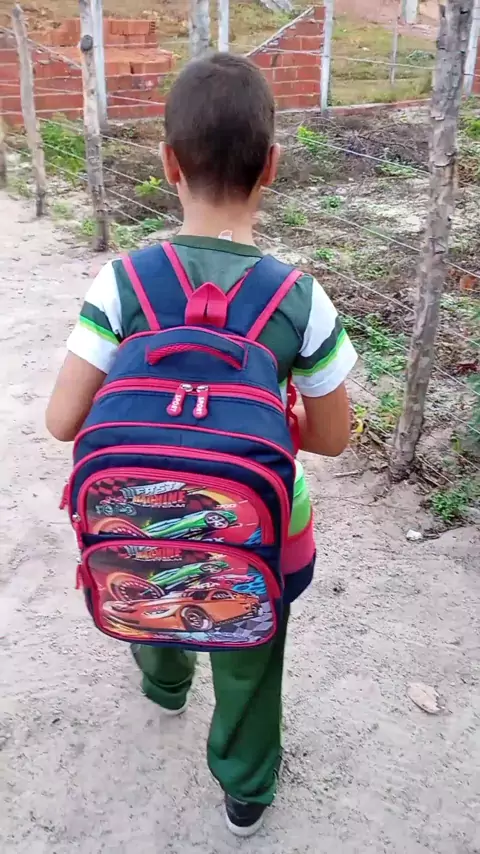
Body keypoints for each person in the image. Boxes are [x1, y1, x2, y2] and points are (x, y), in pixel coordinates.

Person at [46, 53, 357, 837]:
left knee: (145, 573)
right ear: (272, 166)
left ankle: (164, 679)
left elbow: (62, 420)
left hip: (136, 515)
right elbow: (333, 437)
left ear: (167, 163)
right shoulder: (300, 298)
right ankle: (245, 788)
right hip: (263, 527)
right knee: (250, 643)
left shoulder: (122, 284)